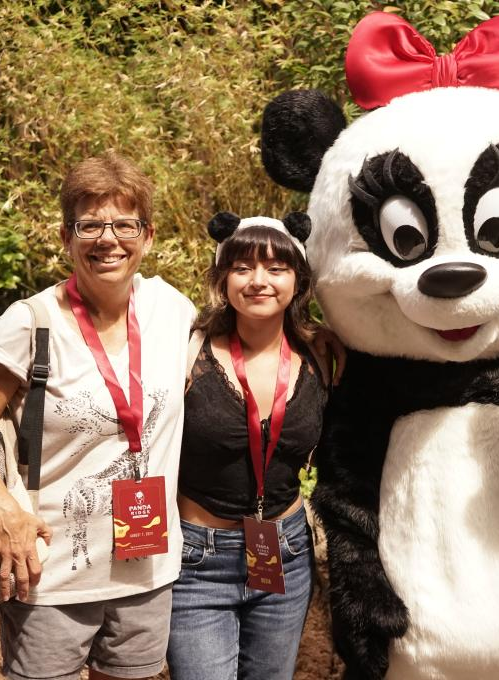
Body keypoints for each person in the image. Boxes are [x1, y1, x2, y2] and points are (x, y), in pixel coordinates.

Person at [0, 152, 196, 680]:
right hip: (48, 575)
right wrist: (5, 514)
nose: (108, 239)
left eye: (124, 223)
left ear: (147, 236)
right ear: (66, 237)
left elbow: (248, 337)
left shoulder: (172, 309)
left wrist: (313, 336)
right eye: (90, 225)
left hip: (147, 573)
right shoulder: (28, 323)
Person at [167, 215, 329, 680]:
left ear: (298, 281)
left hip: (286, 551)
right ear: (223, 279)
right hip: (198, 561)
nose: (259, 281)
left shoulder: (324, 354)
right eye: (242, 267)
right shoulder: (186, 351)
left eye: (277, 268)